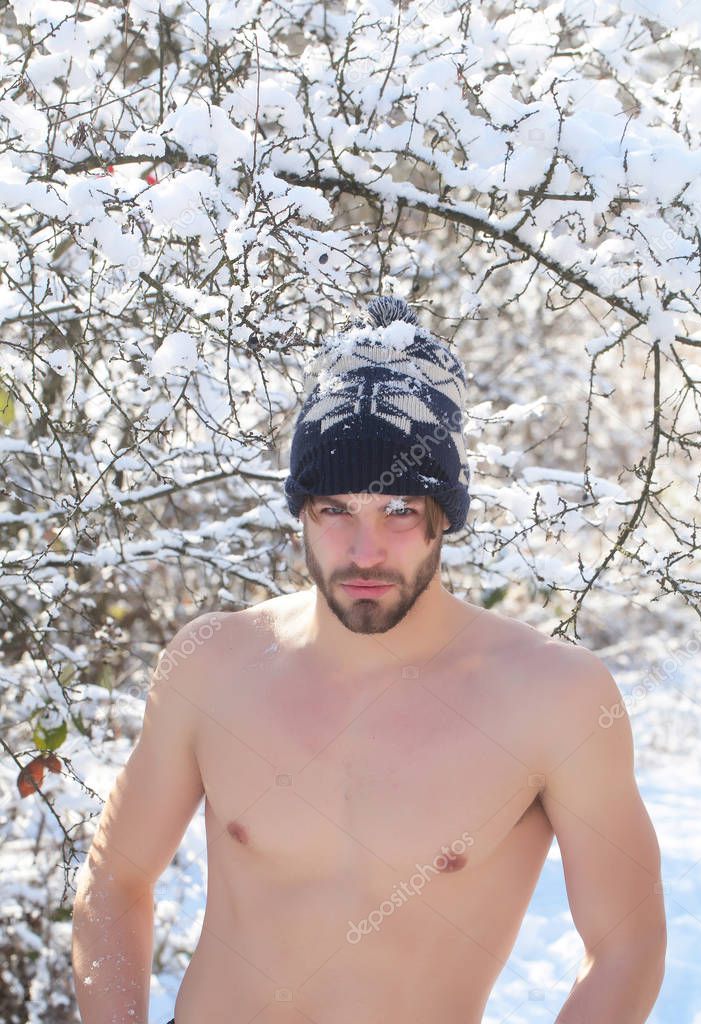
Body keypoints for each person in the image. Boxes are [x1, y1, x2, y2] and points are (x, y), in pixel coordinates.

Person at [71, 296, 666, 1023]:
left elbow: (627, 944)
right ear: (301, 513)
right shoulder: (212, 665)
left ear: (443, 516)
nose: (364, 551)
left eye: (398, 512)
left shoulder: (553, 697)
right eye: (336, 510)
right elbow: (114, 881)